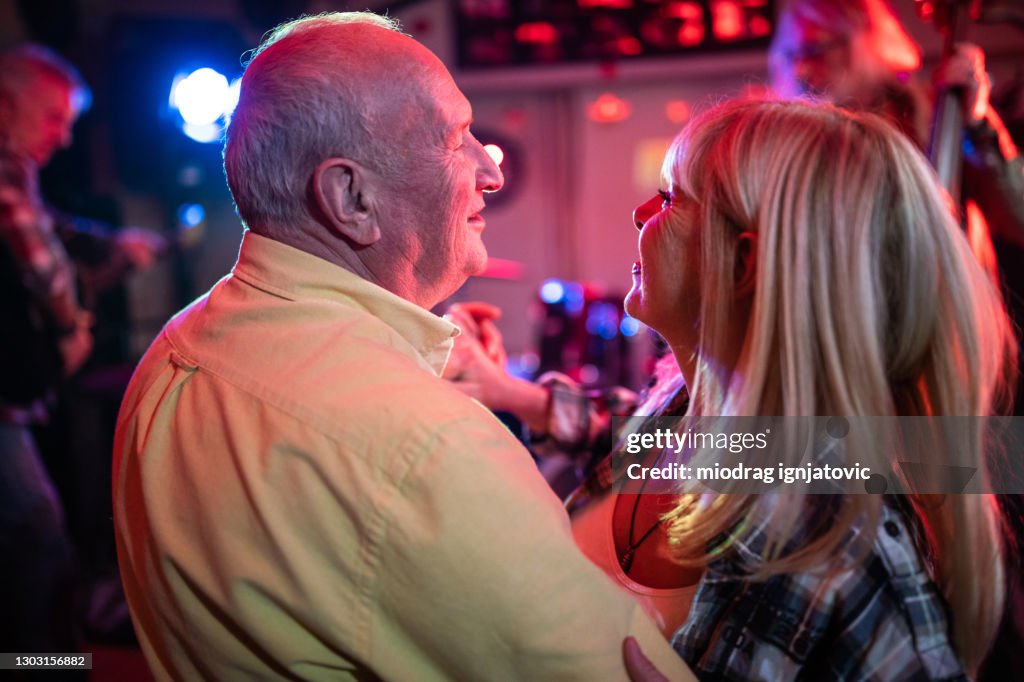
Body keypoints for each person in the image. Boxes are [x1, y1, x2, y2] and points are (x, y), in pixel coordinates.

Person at [111, 12, 695, 681]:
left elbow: (754, 452)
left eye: (677, 196)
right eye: (457, 138)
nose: (641, 212)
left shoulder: (180, 343)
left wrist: (515, 399)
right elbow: (694, 446)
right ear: (350, 198)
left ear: (766, 255)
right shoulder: (427, 444)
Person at [455, 97, 1017, 679]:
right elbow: (643, 437)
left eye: (671, 199)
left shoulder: (836, 545)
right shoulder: (689, 418)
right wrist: (506, 389)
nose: (641, 212)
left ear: (743, 263)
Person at [0, 43, 162, 656]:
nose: (63, 138)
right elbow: (41, 264)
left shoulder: (20, 176)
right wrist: (71, 329)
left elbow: (51, 226)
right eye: (52, 118)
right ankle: (42, 667)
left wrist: (112, 241)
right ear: (6, 104)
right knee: (41, 537)